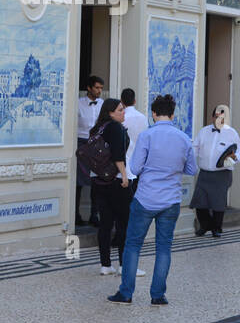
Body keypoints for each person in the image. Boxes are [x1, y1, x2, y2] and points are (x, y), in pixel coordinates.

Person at [109, 94, 197, 306]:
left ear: (154, 113)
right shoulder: (184, 138)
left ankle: (126, 292)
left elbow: (136, 168)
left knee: (132, 245)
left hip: (146, 198)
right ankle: (158, 295)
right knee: (164, 247)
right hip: (171, 201)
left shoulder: (147, 136)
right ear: (173, 114)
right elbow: (192, 169)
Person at [85, 97, 140, 277]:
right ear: (110, 112)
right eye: (120, 110)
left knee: (106, 224)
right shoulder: (115, 127)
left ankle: (105, 265)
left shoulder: (97, 128)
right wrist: (124, 176)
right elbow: (118, 156)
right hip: (116, 180)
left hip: (99, 181)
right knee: (125, 223)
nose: (123, 113)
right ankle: (125, 265)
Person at [191, 104, 240, 237]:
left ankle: (217, 228)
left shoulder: (232, 133)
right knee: (200, 202)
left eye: (221, 117)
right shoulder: (203, 131)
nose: (218, 119)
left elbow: (239, 150)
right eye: (216, 116)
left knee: (218, 203)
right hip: (204, 173)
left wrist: (234, 157)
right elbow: (195, 148)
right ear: (212, 117)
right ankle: (205, 225)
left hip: (222, 174)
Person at [75, 75, 105, 226]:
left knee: (96, 181)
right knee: (79, 181)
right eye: (97, 87)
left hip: (97, 144)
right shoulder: (78, 103)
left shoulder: (103, 104)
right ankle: (75, 215)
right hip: (81, 142)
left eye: (101, 88)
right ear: (89, 88)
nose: (99, 91)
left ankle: (95, 215)